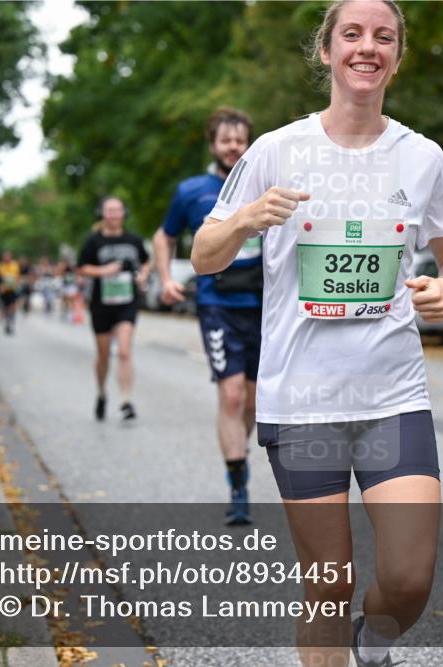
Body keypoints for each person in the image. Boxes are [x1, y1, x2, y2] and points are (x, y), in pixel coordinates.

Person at [192, 2, 443, 665]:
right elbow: (205, 253)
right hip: (303, 399)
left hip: (392, 396)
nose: (367, 47)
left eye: (384, 37)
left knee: (409, 578)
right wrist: (246, 220)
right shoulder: (276, 150)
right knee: (327, 580)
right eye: (352, 34)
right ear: (326, 51)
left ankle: (373, 638)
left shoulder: (422, 157)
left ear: (397, 57)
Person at [154, 107, 260, 526]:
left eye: (240, 139)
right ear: (213, 144)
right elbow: (164, 236)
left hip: (264, 304)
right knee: (231, 395)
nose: (234, 146)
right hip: (217, 303)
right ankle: (238, 486)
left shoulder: (266, 184)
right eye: (226, 140)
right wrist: (164, 277)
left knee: (253, 400)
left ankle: (238, 451)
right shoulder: (193, 191)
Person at [77, 196, 152, 422]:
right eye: (109, 211)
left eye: (117, 210)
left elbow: (146, 261)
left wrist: (143, 276)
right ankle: (101, 393)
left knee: (124, 351)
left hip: (126, 303)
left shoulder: (133, 240)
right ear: (102, 214)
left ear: (123, 214)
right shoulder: (93, 241)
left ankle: (126, 400)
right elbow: (81, 268)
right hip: (101, 303)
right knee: (103, 354)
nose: (113, 215)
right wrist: (104, 271)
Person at [0, 250, 21, 335]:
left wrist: (18, 284)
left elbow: (18, 277)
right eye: (5, 256)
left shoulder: (15, 265)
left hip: (12, 289)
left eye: (8, 256)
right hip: (4, 290)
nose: (6, 258)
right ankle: (6, 321)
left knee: (12, 306)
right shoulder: (1, 266)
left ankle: (11, 322)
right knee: (5, 308)